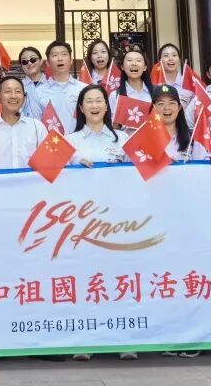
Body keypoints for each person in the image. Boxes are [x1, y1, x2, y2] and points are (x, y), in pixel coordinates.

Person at [66, 84, 134, 362]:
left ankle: (124, 340)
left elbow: (137, 176)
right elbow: (53, 177)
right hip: (81, 222)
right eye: (89, 101)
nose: (94, 106)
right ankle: (86, 339)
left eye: (99, 101)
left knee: (119, 278)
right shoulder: (69, 141)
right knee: (86, 279)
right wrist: (73, 164)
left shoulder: (123, 139)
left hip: (117, 221)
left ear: (107, 106)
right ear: (81, 108)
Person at [32, 41, 87, 134]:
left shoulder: (84, 89)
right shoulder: (38, 92)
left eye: (64, 54)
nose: (60, 58)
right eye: (55, 55)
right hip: (52, 141)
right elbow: (36, 125)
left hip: (80, 140)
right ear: (48, 63)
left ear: (71, 60)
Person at [150, 85, 201, 162]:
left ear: (179, 108)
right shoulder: (143, 139)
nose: (167, 107)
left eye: (172, 103)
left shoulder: (192, 139)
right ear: (154, 108)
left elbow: (201, 166)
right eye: (161, 103)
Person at [108, 50, 152, 121]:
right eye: (129, 60)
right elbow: (113, 124)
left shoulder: (155, 93)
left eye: (138, 60)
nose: (134, 63)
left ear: (145, 67)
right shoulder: (115, 96)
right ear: (122, 67)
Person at [18, 46, 47, 117]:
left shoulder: (52, 84)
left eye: (33, 59)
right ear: (21, 65)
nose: (29, 63)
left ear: (41, 61)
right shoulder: (18, 86)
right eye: (24, 61)